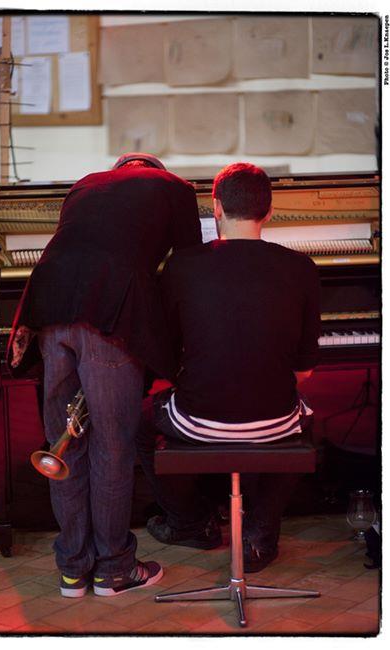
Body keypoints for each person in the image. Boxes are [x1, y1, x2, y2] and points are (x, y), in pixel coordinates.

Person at [8, 153, 202, 597]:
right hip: (110, 309)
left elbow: (64, 251)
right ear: (155, 170)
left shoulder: (85, 184)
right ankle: (114, 568)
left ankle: (73, 570)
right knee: (112, 447)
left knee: (65, 442)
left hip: (49, 305)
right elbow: (188, 267)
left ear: (118, 171)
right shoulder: (175, 187)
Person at [136, 162, 321, 572]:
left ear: (216, 207)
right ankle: (260, 534)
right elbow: (304, 371)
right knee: (304, 423)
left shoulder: (182, 265)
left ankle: (190, 522)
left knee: (140, 424)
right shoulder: (302, 268)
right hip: (274, 422)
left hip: (198, 419)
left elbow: (165, 357)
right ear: (268, 212)